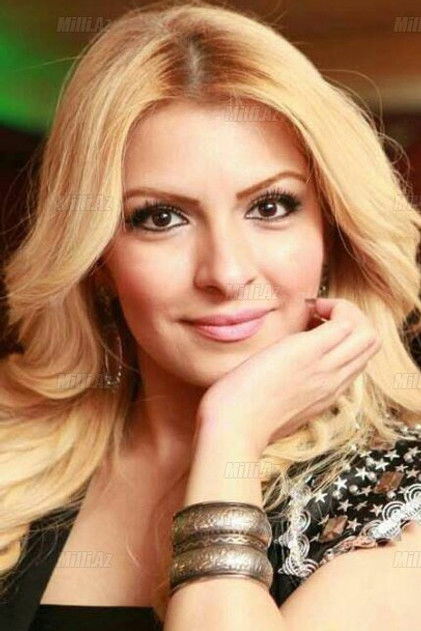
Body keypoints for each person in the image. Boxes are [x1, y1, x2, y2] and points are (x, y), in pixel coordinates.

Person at [0, 2, 420, 630]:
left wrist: (230, 434)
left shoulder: (399, 499)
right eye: (160, 217)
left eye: (270, 207)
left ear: (333, 231)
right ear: (97, 259)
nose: (225, 273)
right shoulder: (12, 451)